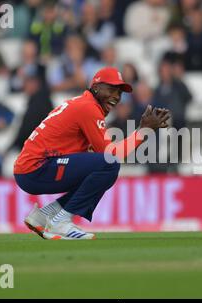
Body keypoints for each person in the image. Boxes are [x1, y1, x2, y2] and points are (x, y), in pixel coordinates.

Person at [13, 67, 170, 240]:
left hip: (32, 169)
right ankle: (61, 222)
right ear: (96, 87)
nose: (116, 97)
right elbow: (112, 155)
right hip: (36, 168)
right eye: (111, 89)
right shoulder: (88, 107)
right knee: (108, 165)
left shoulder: (82, 104)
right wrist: (143, 131)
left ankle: (44, 215)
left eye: (119, 93)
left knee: (99, 170)